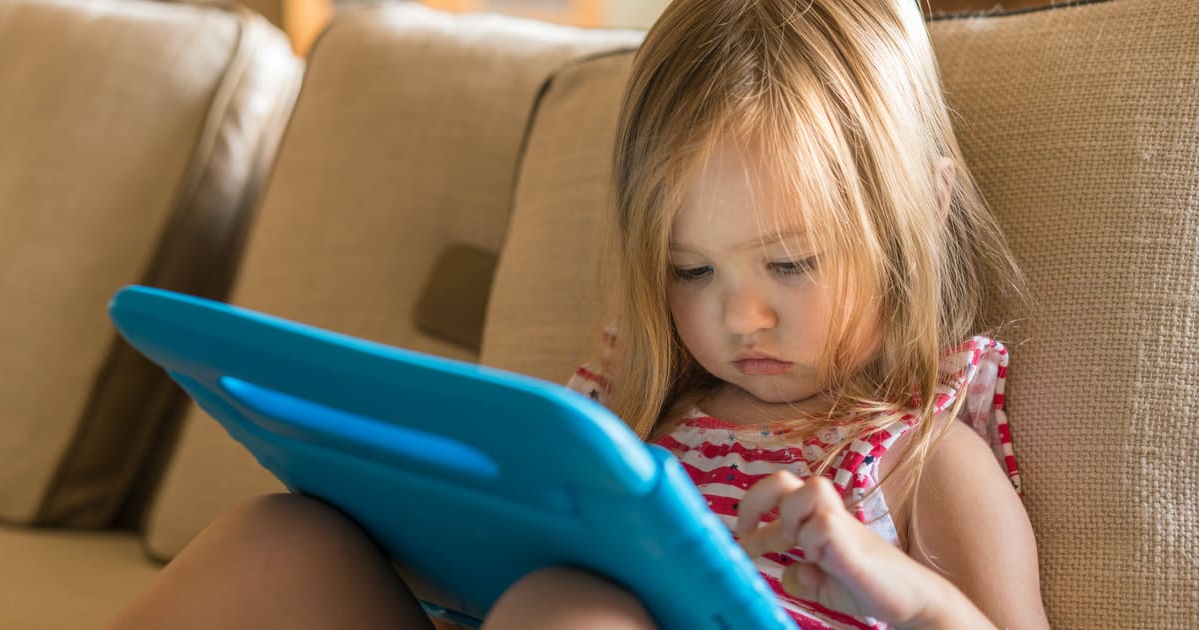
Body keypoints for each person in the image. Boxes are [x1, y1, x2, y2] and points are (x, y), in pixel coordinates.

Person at [106, 0, 1048, 628]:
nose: (741, 315)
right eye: (690, 270)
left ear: (919, 213)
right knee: (284, 540)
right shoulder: (626, 413)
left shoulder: (920, 455)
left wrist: (896, 590)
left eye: (792, 262)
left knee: (574, 610)